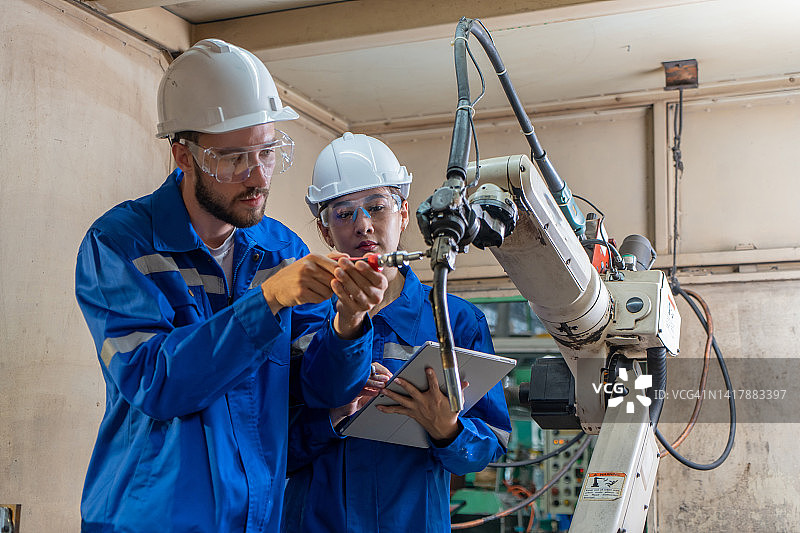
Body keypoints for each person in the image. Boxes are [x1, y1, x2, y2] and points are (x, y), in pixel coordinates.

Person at [75, 40, 387, 532]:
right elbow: (157, 384)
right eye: (234, 158)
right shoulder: (120, 245)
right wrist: (269, 300)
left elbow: (322, 390)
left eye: (267, 151)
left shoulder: (280, 250)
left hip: (255, 520)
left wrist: (349, 323)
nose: (257, 176)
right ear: (184, 156)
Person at [282, 132, 512, 532]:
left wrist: (447, 430)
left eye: (377, 207)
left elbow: (490, 444)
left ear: (404, 213)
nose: (363, 225)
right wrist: (334, 417)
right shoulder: (300, 319)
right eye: (343, 213)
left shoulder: (456, 322)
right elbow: (267, 443)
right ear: (325, 231)